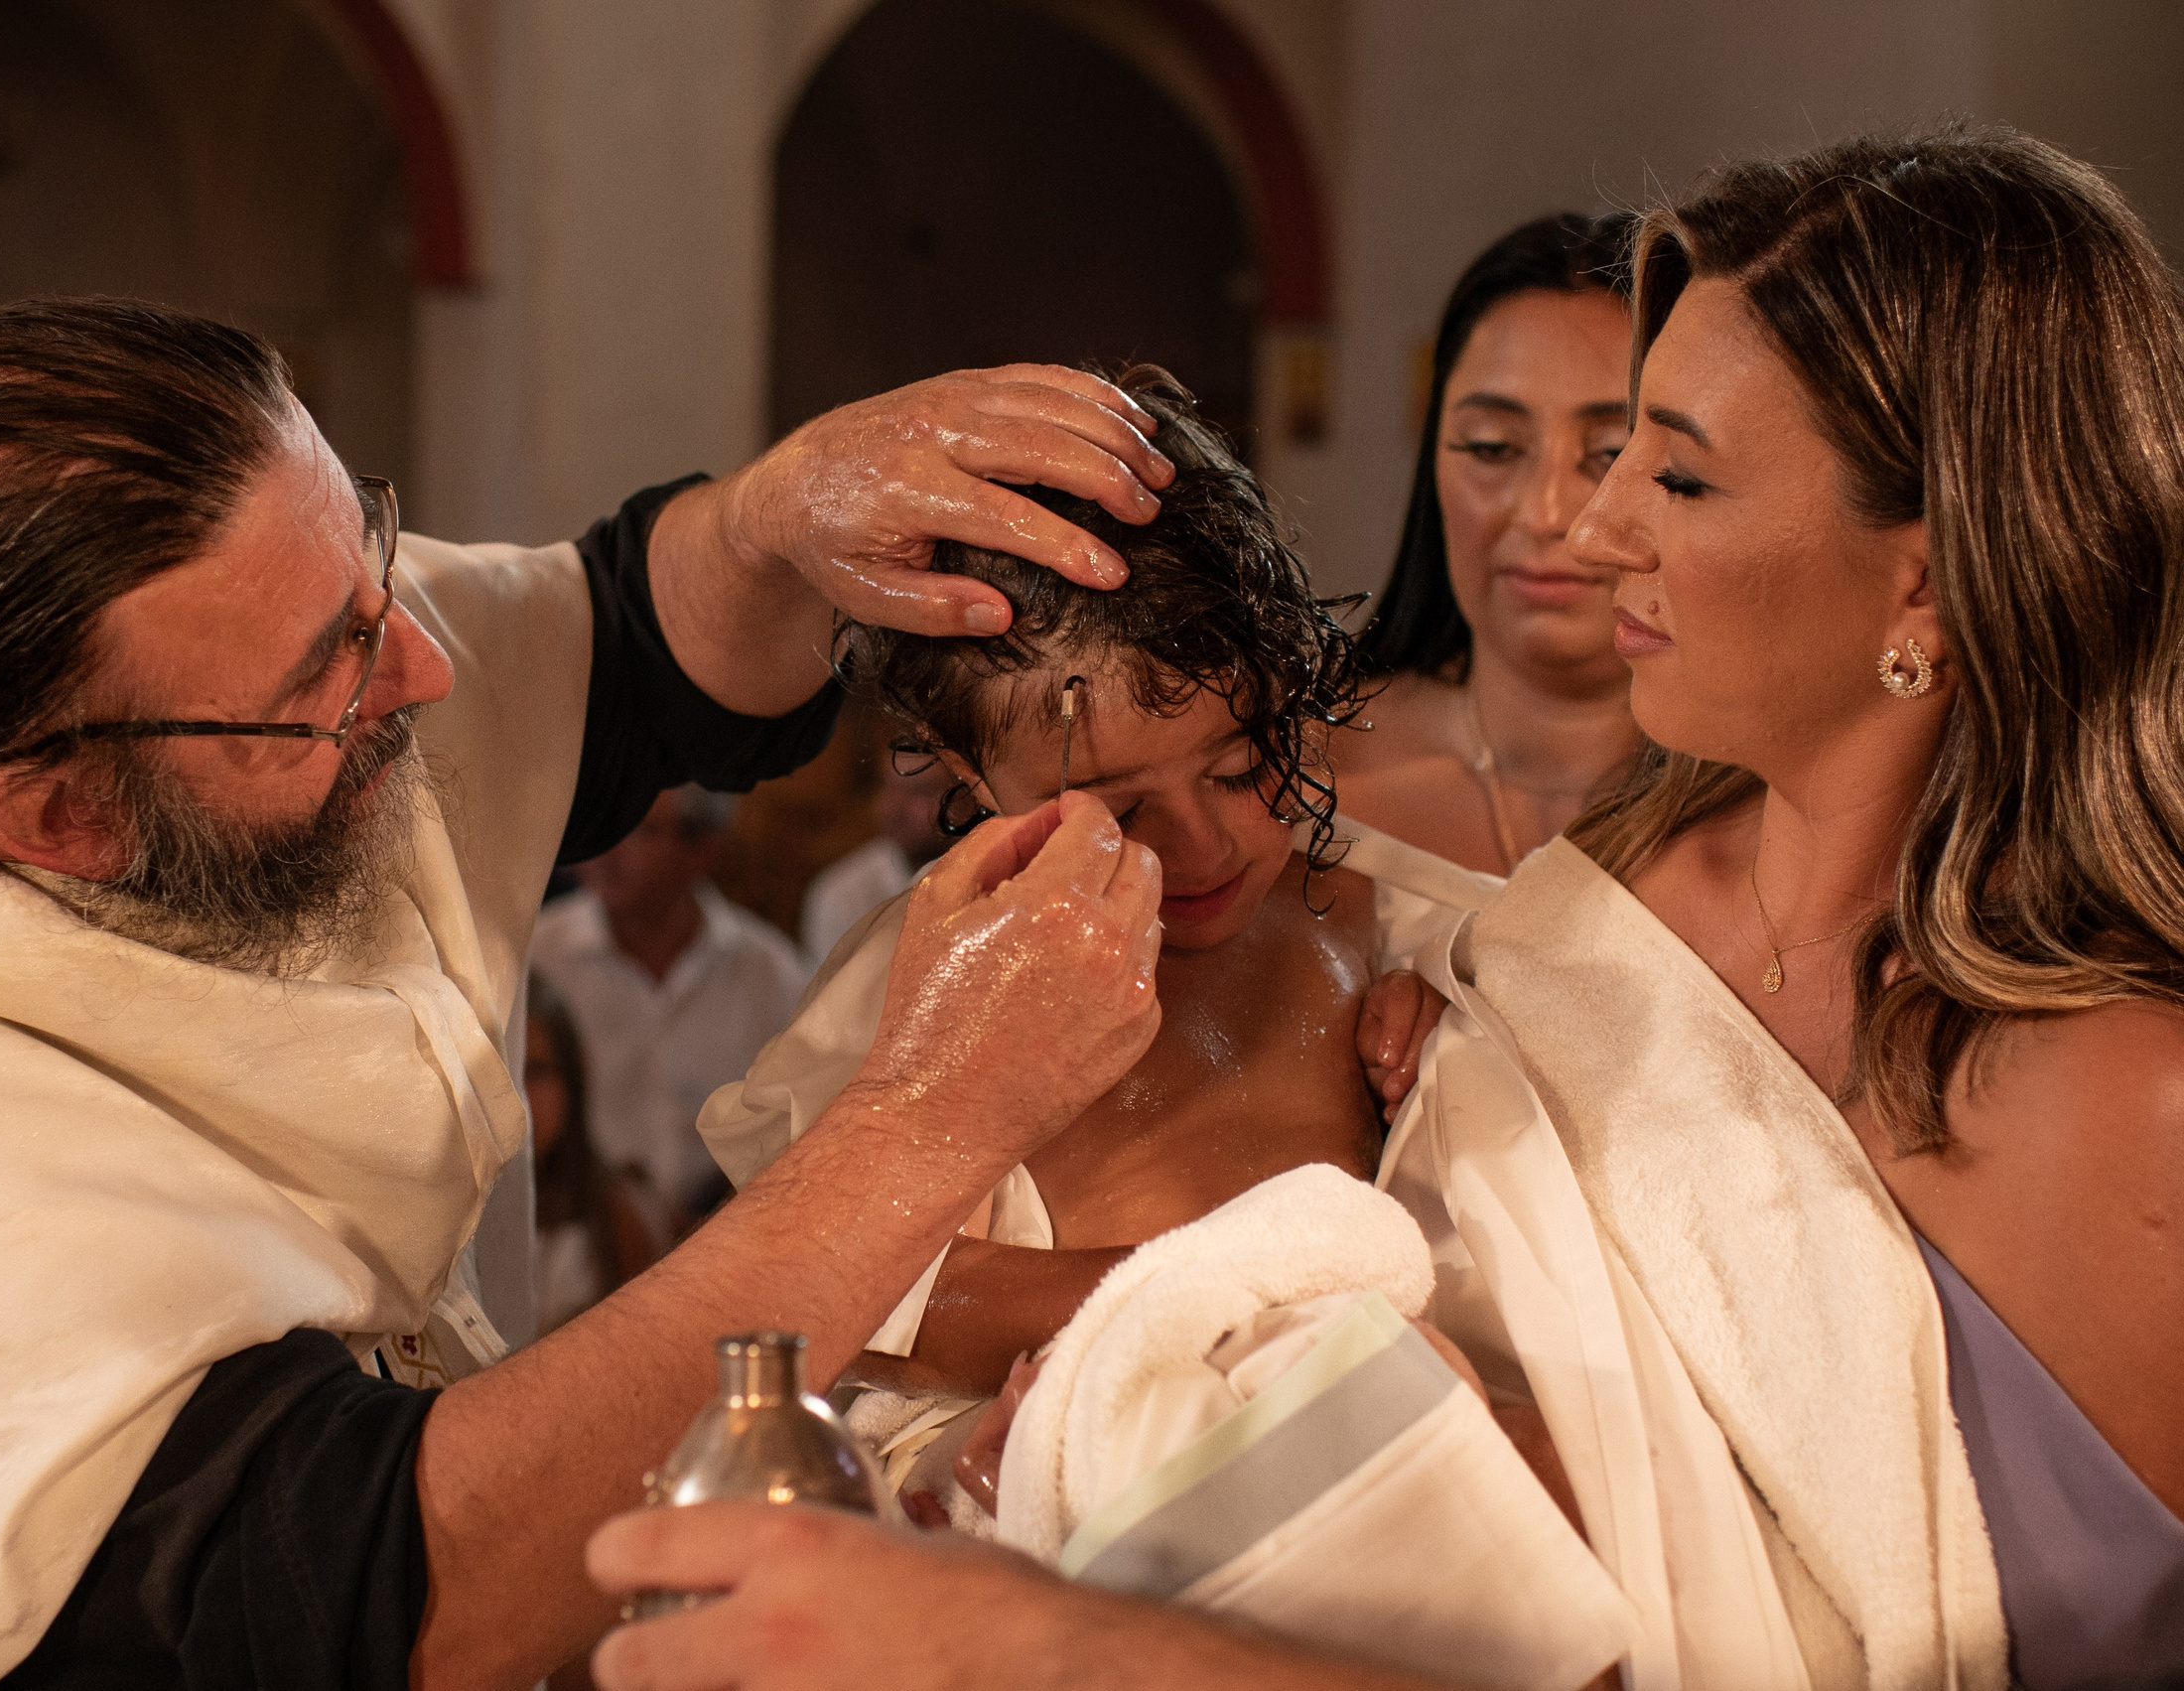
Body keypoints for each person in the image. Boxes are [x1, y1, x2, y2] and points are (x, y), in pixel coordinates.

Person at [594, 128, 2184, 1691]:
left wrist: (1049, 1633)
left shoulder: (2136, 1105)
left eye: (1676, 470)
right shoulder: (1577, 910)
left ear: (1926, 579)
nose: (1590, 521)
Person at [0, 298, 1187, 1691]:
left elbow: (623, 647)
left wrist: (774, 516)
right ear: (59, 817)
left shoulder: (217, 702)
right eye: (338, 662)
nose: (425, 672)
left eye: (371, 554)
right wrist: (924, 1121)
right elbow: (376, 1594)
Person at [698, 366, 1462, 1473]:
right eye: (1120, 809)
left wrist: (1459, 1069)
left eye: (1244, 764)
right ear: (969, 771)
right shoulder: (925, 988)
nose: (1202, 847)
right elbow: (844, 1298)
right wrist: (1232, 1295)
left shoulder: (1404, 938)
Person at [1334, 215, 1643, 874]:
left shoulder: (1772, 809)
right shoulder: (1298, 775)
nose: (1545, 512)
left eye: (1611, 453)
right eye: (1492, 447)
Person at [534, 784, 808, 1227]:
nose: (609, 851)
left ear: (702, 850)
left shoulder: (768, 972)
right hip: (574, 1240)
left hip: (728, 1231)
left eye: (639, 831)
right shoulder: (540, 955)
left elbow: (799, 1120)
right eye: (602, 827)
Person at [520, 977, 657, 1336]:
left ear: (574, 1074)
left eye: (536, 1072)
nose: (519, 1096)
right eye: (507, 1073)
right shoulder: (453, 1225)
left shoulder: (617, 1215)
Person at [798, 753, 955, 963]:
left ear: (971, 798)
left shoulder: (1000, 878)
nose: (895, 808)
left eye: (920, 791)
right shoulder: (843, 893)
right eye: (889, 787)